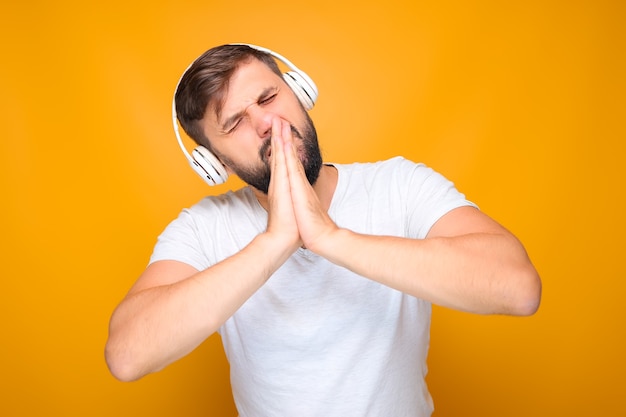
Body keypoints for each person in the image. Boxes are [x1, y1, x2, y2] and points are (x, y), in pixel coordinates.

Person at [105, 44, 541, 416]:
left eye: (270, 97)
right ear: (213, 164)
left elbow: (518, 289)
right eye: (235, 123)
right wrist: (275, 241)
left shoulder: (400, 184)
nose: (266, 124)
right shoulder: (204, 227)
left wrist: (329, 238)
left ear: (300, 92)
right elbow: (127, 356)